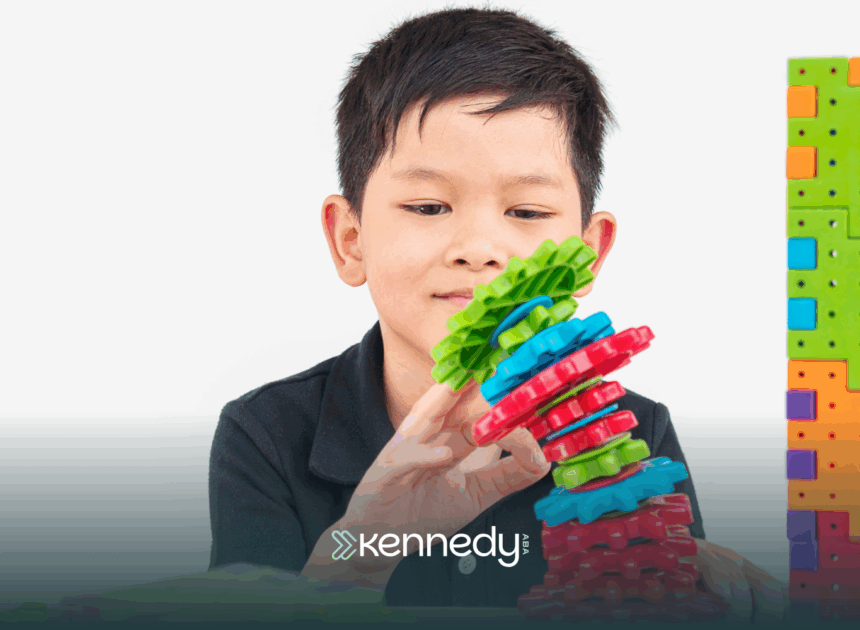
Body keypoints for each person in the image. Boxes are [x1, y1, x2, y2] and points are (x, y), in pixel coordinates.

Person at [208, 6, 787, 621]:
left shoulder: (633, 433)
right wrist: (365, 545)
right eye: (428, 206)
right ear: (351, 241)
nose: (480, 249)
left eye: (527, 212)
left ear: (586, 256)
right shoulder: (267, 434)